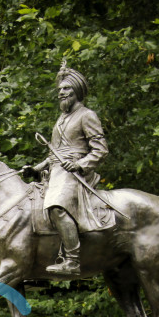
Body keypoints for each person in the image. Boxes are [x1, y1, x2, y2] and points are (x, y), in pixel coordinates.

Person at [27, 62, 109, 276]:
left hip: (75, 173)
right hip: (55, 171)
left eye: (65, 89)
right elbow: (54, 153)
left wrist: (80, 164)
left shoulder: (87, 115)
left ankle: (72, 260)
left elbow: (100, 150)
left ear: (77, 91)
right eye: (59, 90)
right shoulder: (61, 119)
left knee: (56, 206)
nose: (60, 93)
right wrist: (36, 169)